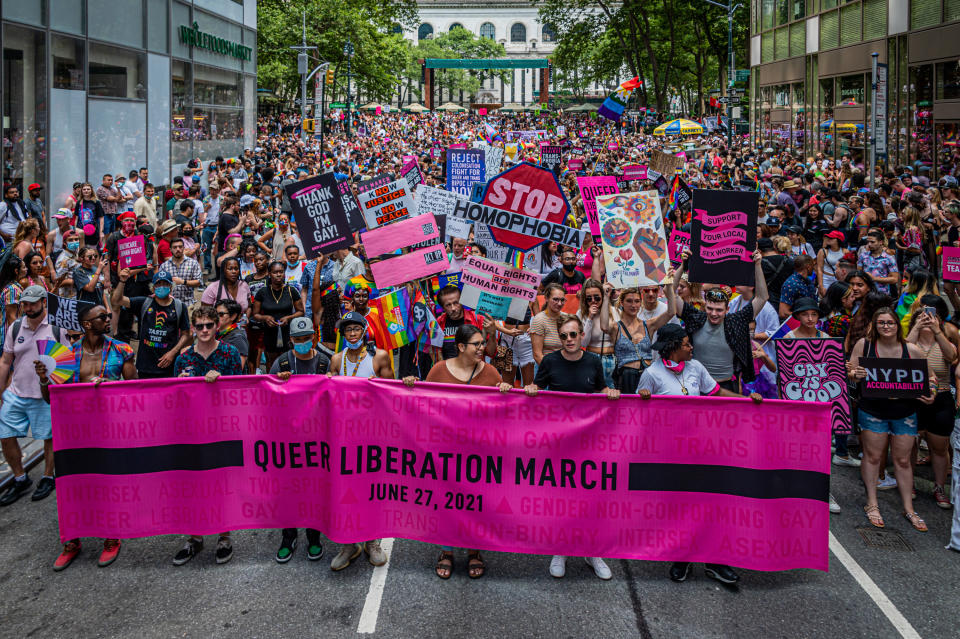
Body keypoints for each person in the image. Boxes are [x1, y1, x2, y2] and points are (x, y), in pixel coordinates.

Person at [637, 323, 762, 585]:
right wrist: (643, 399)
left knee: (711, 505)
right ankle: (682, 559)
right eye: (686, 344)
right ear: (672, 349)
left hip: (703, 451)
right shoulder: (652, 374)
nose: (691, 347)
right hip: (672, 456)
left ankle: (715, 561)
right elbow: (639, 418)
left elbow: (717, 393)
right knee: (682, 509)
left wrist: (747, 401)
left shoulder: (696, 367)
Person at [402, 324, 509, 578]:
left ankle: (474, 551)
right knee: (446, 502)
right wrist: (411, 385)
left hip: (478, 452)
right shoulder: (439, 370)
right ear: (461, 347)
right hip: (445, 452)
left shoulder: (491, 372)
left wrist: (505, 391)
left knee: (476, 502)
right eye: (477, 344)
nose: (483, 348)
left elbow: (502, 414)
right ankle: (447, 551)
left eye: (483, 343)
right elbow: (424, 403)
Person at [38, 303, 136, 570]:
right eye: (102, 317)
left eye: (107, 315)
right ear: (87, 324)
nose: (108, 319)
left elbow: (134, 390)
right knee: (72, 485)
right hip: (75, 430)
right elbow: (51, 399)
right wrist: (44, 379)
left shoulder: (122, 350)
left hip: (110, 429)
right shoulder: (66, 354)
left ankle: (110, 536)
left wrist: (109, 387)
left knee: (107, 483)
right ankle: (72, 541)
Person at [523, 314, 620, 580]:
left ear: (581, 336)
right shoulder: (550, 362)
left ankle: (592, 552)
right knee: (562, 499)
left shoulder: (593, 361)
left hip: (590, 442)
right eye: (564, 336)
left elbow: (600, 389)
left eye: (573, 335)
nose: (568, 340)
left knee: (590, 498)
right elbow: (537, 389)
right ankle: (561, 549)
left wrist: (608, 393)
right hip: (559, 443)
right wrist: (532, 389)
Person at [847, 308, 936, 532]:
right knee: (873, 457)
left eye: (890, 323)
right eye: (881, 323)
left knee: (904, 461)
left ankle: (909, 508)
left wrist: (931, 391)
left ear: (898, 325)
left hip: (905, 413)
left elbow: (931, 376)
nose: (886, 327)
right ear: (875, 326)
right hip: (872, 410)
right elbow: (849, 370)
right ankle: (872, 503)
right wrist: (855, 375)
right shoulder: (864, 346)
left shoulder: (911, 350)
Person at [172, 307, 243, 566]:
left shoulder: (230, 353)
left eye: (209, 325)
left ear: (217, 326)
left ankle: (224, 537)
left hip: (222, 430)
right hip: (191, 432)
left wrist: (222, 382)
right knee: (193, 485)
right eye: (199, 325)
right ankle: (195, 537)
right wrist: (180, 385)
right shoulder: (182, 359)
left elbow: (242, 391)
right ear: (192, 327)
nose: (204, 330)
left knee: (221, 485)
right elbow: (172, 399)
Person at [328, 312, 392, 571]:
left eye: (356, 329)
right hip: (343, 436)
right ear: (343, 335)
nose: (353, 334)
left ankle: (372, 541)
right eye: (348, 331)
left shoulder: (379, 357)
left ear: (365, 330)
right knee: (344, 491)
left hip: (372, 435)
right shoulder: (336, 359)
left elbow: (393, 393)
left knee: (371, 489)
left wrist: (383, 387)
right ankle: (349, 543)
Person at [271, 317, 330, 563]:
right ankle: (288, 536)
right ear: (291, 340)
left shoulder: (324, 362)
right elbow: (267, 396)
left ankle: (314, 537)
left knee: (314, 489)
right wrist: (279, 384)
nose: (303, 343)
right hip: (288, 438)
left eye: (307, 339)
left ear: (314, 338)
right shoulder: (282, 362)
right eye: (298, 340)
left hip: (317, 437)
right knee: (287, 489)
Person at [0, 286, 63, 507]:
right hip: (16, 393)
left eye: (33, 303)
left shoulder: (56, 328)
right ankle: (19, 477)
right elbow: (6, 361)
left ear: (43, 302)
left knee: (49, 437)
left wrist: (51, 383)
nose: (28, 308)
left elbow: (65, 364)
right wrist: (1, 390)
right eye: (25, 304)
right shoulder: (16, 327)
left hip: (44, 396)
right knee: (6, 435)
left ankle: (47, 476)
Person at [674, 248, 770, 391]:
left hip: (727, 387)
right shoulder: (696, 318)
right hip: (697, 386)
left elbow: (762, 297)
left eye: (719, 310)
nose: (714, 313)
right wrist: (683, 266)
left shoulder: (736, 321)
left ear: (727, 309)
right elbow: (672, 293)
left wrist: (757, 265)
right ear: (705, 306)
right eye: (710, 308)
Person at [905, 296, 957, 510]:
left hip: (942, 398)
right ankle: (910, 485)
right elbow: (902, 355)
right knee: (910, 445)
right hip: (913, 397)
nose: (927, 319)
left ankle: (939, 487)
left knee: (939, 447)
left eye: (930, 316)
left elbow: (952, 356)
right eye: (922, 316)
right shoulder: (911, 342)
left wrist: (937, 330)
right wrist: (916, 326)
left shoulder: (944, 339)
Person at [601, 277, 676, 394]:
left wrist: (670, 286)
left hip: (647, 376)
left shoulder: (649, 325)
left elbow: (671, 312)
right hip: (626, 377)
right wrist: (605, 297)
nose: (633, 305)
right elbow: (604, 326)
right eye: (629, 301)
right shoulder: (616, 327)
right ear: (621, 303)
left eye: (636, 301)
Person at [112, 269, 191, 378]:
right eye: (158, 284)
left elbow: (186, 333)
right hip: (145, 365)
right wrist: (122, 281)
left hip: (169, 364)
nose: (162, 286)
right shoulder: (144, 303)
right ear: (153, 287)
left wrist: (173, 353)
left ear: (171, 287)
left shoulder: (179, 306)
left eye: (165, 283)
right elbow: (117, 300)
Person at [251, 260, 304, 371]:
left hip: (288, 332)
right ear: (269, 274)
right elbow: (255, 314)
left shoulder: (291, 290)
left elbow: (301, 311)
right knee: (271, 363)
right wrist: (265, 318)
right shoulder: (262, 292)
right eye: (275, 272)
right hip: (269, 332)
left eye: (281, 272)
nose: (279, 274)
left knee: (288, 361)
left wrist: (288, 318)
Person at [436, 285, 496, 361]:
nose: (453, 308)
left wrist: (492, 334)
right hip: (449, 370)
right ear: (443, 307)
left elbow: (491, 353)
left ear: (462, 302)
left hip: (474, 370)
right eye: (448, 305)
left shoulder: (478, 319)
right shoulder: (439, 322)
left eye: (456, 303)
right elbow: (436, 352)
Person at [200, 256, 252, 322]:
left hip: (241, 327)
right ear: (223, 271)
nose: (234, 272)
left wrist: (246, 318)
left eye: (236, 269)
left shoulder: (244, 285)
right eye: (230, 269)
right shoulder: (213, 288)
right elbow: (204, 312)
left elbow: (249, 306)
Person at [159, 237, 203, 306]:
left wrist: (183, 282)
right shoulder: (164, 266)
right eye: (175, 247)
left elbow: (198, 282)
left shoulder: (193, 263)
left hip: (188, 303)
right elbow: (160, 285)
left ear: (183, 248)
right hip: (170, 304)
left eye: (180, 247)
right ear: (170, 249)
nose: (178, 249)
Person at [857, 230, 899, 296]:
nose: (869, 244)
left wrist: (874, 278)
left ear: (880, 242)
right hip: (865, 294)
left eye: (872, 242)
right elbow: (858, 273)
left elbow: (894, 279)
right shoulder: (863, 256)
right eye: (868, 242)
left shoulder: (889, 258)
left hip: (881, 295)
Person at [216, 299, 250, 370]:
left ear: (233, 316)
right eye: (214, 314)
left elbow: (238, 369)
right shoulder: (216, 333)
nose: (216, 317)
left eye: (221, 314)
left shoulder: (238, 338)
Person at [73, 183, 105, 250]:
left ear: (91, 190)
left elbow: (101, 218)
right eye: (84, 189)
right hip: (81, 231)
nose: (86, 191)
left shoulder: (96, 202)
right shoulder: (79, 202)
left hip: (93, 231)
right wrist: (75, 230)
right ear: (81, 191)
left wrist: (101, 232)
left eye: (88, 189)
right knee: (81, 250)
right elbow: (76, 218)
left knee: (93, 250)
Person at [816, 230, 846, 296]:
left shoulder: (845, 252)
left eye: (831, 238)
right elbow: (819, 269)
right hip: (826, 279)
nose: (829, 239)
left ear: (838, 240)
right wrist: (821, 285)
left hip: (840, 280)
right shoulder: (823, 251)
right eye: (828, 237)